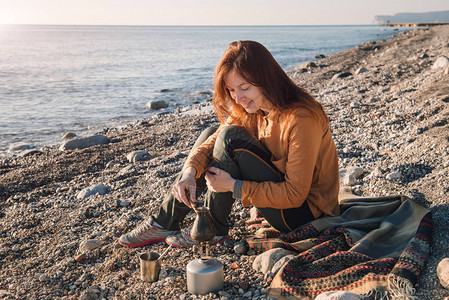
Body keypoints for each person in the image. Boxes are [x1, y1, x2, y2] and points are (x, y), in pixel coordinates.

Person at [119, 40, 340, 248]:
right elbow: (215, 138)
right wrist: (189, 172)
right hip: (280, 201)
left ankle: (213, 229)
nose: (238, 98)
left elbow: (294, 194)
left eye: (244, 88)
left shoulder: (301, 118)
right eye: (232, 90)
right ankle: (163, 223)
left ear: (267, 79)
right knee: (211, 133)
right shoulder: (255, 107)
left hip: (304, 216)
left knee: (230, 138)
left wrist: (233, 186)